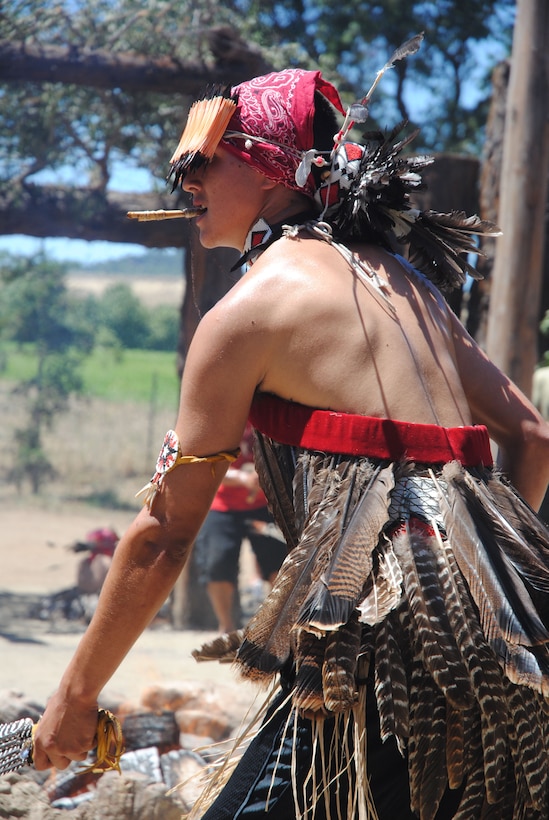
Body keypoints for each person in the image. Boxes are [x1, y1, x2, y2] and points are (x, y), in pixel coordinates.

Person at [33, 38, 549, 820]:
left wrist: (74, 697)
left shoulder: (247, 312)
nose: (185, 180)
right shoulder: (410, 286)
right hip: (508, 643)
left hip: (380, 648)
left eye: (205, 159)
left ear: (271, 167)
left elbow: (166, 533)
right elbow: (533, 437)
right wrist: (480, 572)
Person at [194, 421, 286, 632]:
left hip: (265, 504)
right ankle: (226, 627)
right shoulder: (221, 416)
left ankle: (277, 626)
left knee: (279, 565)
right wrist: (243, 478)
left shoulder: (268, 414)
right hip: (222, 505)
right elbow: (206, 462)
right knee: (217, 562)